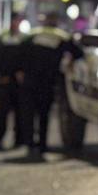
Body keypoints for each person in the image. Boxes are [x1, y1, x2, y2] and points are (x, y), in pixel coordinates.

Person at [18, 13, 82, 156]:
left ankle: (29, 143)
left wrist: (20, 71)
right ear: (56, 23)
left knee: (29, 114)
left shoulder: (32, 35)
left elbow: (19, 54)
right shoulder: (62, 36)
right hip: (48, 82)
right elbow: (78, 53)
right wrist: (69, 61)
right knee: (43, 114)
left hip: (30, 81)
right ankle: (42, 145)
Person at [0, 16, 27, 150]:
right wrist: (4, 74)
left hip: (19, 82)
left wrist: (22, 73)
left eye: (18, 21)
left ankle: (19, 140)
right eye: (14, 21)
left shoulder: (23, 39)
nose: (16, 24)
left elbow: (27, 59)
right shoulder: (2, 39)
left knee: (20, 112)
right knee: (2, 113)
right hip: (5, 80)